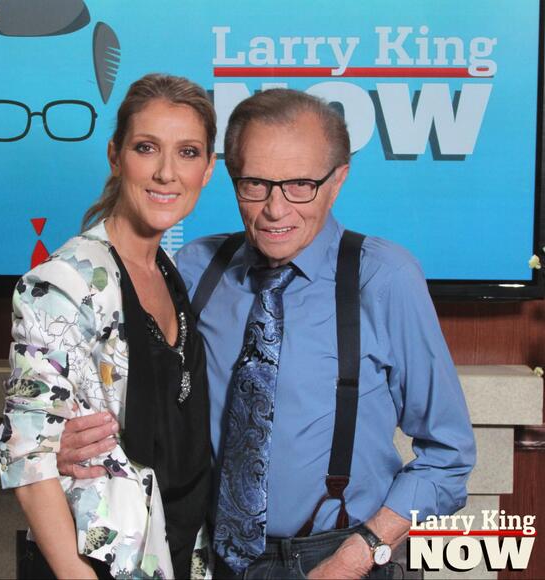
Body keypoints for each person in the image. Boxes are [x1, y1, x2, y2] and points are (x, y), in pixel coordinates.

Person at [57, 88, 476, 579]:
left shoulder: (384, 278)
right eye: (255, 184)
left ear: (338, 179)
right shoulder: (194, 269)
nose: (276, 209)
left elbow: (448, 455)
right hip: (209, 556)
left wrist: (356, 556)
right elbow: (143, 398)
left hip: (341, 557)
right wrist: (73, 444)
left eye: (300, 185)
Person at [0, 73, 217, 580]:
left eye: (187, 152)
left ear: (207, 169)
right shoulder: (64, 282)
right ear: (116, 155)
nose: (166, 173)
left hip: (181, 554)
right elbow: (27, 455)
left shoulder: (171, 272)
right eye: (146, 148)